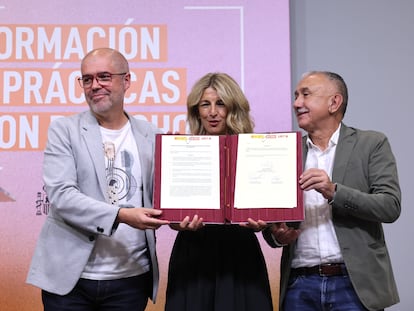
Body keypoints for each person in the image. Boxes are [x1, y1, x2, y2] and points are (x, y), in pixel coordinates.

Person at [26, 47, 169, 311]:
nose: (95, 85)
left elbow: (167, 196)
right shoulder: (64, 130)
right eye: (87, 79)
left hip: (131, 280)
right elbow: (62, 196)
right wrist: (122, 215)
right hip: (70, 282)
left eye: (104, 76)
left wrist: (184, 218)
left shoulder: (153, 134)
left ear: (126, 81)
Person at [263, 71, 401, 311]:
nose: (297, 103)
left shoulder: (371, 144)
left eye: (305, 94)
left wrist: (334, 191)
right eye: (296, 96)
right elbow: (271, 224)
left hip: (354, 285)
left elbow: (390, 206)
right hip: (299, 284)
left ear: (334, 102)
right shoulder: (286, 152)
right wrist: (276, 235)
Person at [164, 72, 273, 311]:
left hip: (240, 254)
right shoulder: (182, 152)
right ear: (197, 110)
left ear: (233, 108)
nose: (212, 112)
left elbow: (269, 213)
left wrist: (263, 222)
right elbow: (171, 219)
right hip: (193, 253)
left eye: (220, 103)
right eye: (205, 104)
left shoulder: (255, 151)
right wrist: (177, 223)